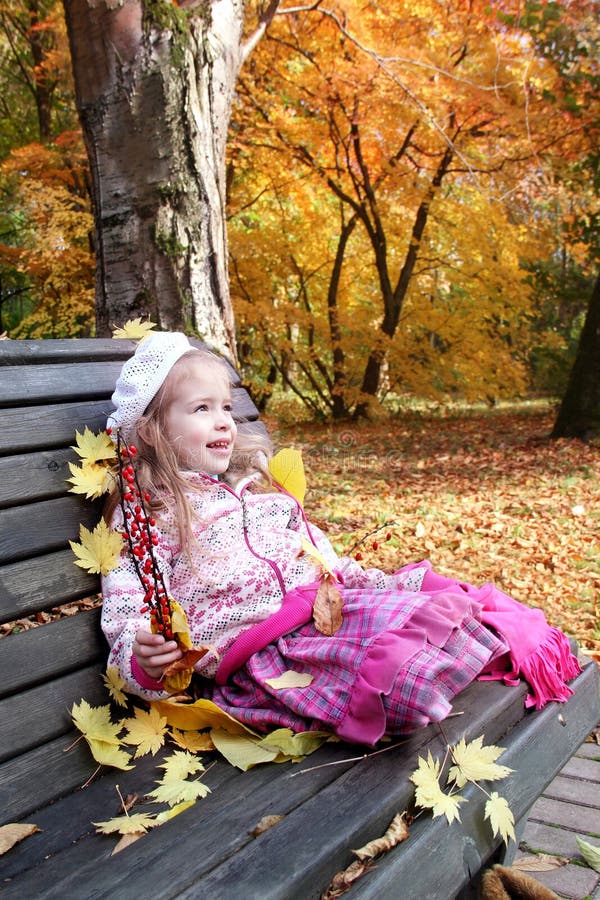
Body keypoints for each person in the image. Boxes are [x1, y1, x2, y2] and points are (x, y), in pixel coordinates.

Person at [101, 332, 580, 746]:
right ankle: (407, 693)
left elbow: (325, 562)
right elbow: (126, 616)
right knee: (401, 680)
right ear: (152, 429)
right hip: (266, 656)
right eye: (201, 409)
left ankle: (434, 668)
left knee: (454, 618)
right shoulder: (148, 518)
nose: (224, 420)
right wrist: (145, 660)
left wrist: (394, 584)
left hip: (328, 614)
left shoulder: (263, 493)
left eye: (226, 407)